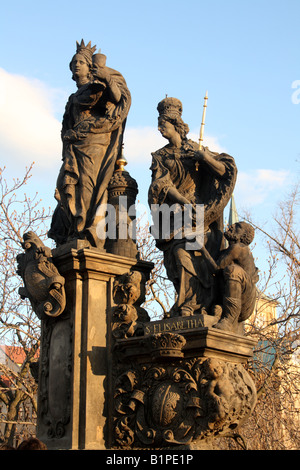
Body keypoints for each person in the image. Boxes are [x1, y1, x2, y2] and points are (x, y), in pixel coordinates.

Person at [148, 97, 237, 317]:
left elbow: (224, 171)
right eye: (158, 124)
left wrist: (205, 157)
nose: (159, 129)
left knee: (189, 252)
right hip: (175, 212)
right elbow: (160, 184)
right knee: (174, 258)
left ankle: (193, 303)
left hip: (200, 214)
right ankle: (185, 301)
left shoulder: (196, 148)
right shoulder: (160, 156)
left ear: (176, 124)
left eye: (163, 125)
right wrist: (180, 199)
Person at [48, 40, 131, 248]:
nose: (77, 65)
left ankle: (87, 231)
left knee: (87, 184)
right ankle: (73, 230)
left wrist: (106, 77)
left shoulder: (98, 86)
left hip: (95, 141)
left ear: (89, 66)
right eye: (74, 62)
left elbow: (118, 97)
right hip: (74, 145)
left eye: (81, 62)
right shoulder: (74, 96)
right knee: (65, 185)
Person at [213, 221, 259, 331]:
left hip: (244, 302)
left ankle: (229, 320)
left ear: (244, 235)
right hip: (227, 297)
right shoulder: (226, 251)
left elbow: (216, 267)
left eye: (238, 227)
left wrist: (202, 249)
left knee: (233, 270)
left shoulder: (238, 248)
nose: (232, 226)